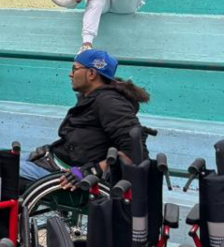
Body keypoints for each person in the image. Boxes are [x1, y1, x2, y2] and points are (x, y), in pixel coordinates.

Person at [19, 49, 149, 186]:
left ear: (91, 73)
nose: (70, 74)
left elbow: (135, 151)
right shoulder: (93, 98)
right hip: (50, 159)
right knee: (0, 159)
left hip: (63, 174)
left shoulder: (109, 103)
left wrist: (89, 171)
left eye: (74, 69)